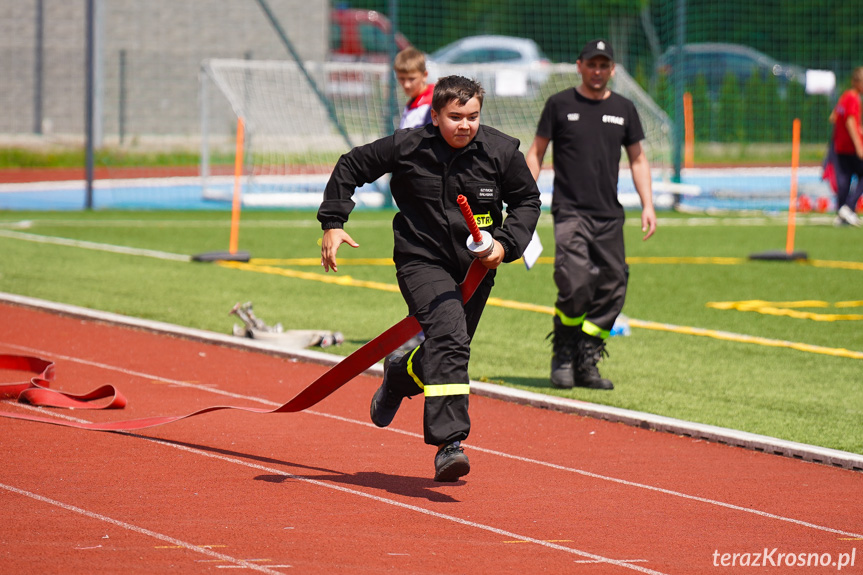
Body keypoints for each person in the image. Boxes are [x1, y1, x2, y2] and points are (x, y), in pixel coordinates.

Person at [317, 76, 541, 482]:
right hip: (421, 262)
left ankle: (400, 376)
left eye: (472, 116)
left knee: (447, 347)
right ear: (435, 115)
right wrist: (333, 222)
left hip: (477, 269)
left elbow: (527, 200)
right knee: (451, 339)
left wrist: (505, 246)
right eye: (455, 116)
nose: (465, 125)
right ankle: (449, 443)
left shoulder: (502, 151)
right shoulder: (407, 145)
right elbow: (351, 165)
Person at [525, 39, 657, 391]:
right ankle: (563, 353)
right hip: (570, 212)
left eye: (604, 65)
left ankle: (587, 356)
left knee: (613, 288)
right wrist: (523, 197)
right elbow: (536, 152)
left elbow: (638, 159)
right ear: (579, 65)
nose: (597, 70)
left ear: (612, 69)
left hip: (609, 216)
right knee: (576, 281)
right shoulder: (559, 104)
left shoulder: (625, 108)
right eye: (591, 64)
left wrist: (648, 204)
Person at [830, 66, 863, 227]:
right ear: (857, 82)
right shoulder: (854, 98)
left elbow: (834, 117)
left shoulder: (844, 97)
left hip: (840, 145)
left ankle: (841, 213)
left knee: (844, 180)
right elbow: (850, 122)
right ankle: (848, 208)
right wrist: (859, 146)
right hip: (850, 146)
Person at [394, 47, 434, 129]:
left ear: (425, 75)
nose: (406, 85)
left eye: (411, 79)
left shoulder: (433, 103)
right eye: (402, 79)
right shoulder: (412, 102)